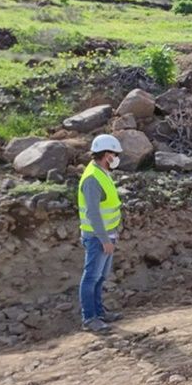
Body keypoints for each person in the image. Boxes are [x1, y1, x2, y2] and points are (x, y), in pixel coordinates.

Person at [77, 134, 124, 334]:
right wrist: (105, 240)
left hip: (107, 235)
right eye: (114, 153)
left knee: (99, 277)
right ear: (107, 155)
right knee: (91, 277)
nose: (116, 157)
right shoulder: (92, 179)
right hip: (97, 238)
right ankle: (89, 318)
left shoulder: (101, 172)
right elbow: (93, 214)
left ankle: (99, 313)